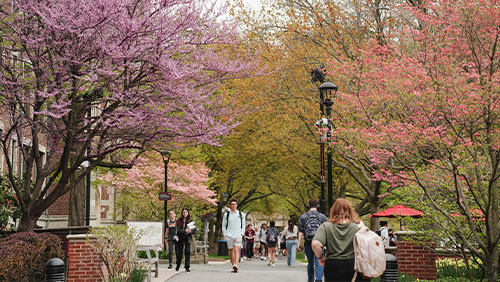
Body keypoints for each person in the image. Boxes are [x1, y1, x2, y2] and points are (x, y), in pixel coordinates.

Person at [311, 198, 369, 282]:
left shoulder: (326, 226)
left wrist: (320, 257)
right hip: (353, 264)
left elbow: (315, 244)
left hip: (333, 265)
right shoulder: (358, 227)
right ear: (350, 210)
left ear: (333, 210)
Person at [298, 199, 327, 282]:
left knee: (310, 263)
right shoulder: (322, 217)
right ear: (318, 206)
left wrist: (299, 243)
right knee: (319, 261)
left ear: (308, 206)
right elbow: (326, 231)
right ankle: (318, 279)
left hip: (308, 242)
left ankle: (310, 279)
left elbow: (301, 231)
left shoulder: (303, 217)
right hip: (319, 242)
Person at [222, 198, 245, 273]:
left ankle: (236, 265)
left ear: (237, 205)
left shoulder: (241, 214)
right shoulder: (227, 214)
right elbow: (223, 225)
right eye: (232, 204)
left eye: (234, 204)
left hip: (238, 235)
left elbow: (243, 225)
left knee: (236, 250)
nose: (233, 206)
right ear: (230, 205)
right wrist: (225, 234)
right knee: (231, 251)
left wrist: (242, 233)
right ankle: (233, 265)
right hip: (229, 235)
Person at [175, 208, 194, 272]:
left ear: (188, 213)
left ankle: (187, 266)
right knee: (180, 252)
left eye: (186, 212)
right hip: (180, 238)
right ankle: (178, 265)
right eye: (183, 212)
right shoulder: (178, 220)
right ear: (182, 213)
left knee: (187, 252)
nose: (185, 213)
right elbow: (177, 230)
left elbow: (195, 230)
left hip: (187, 238)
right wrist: (185, 231)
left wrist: (190, 231)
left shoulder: (190, 220)